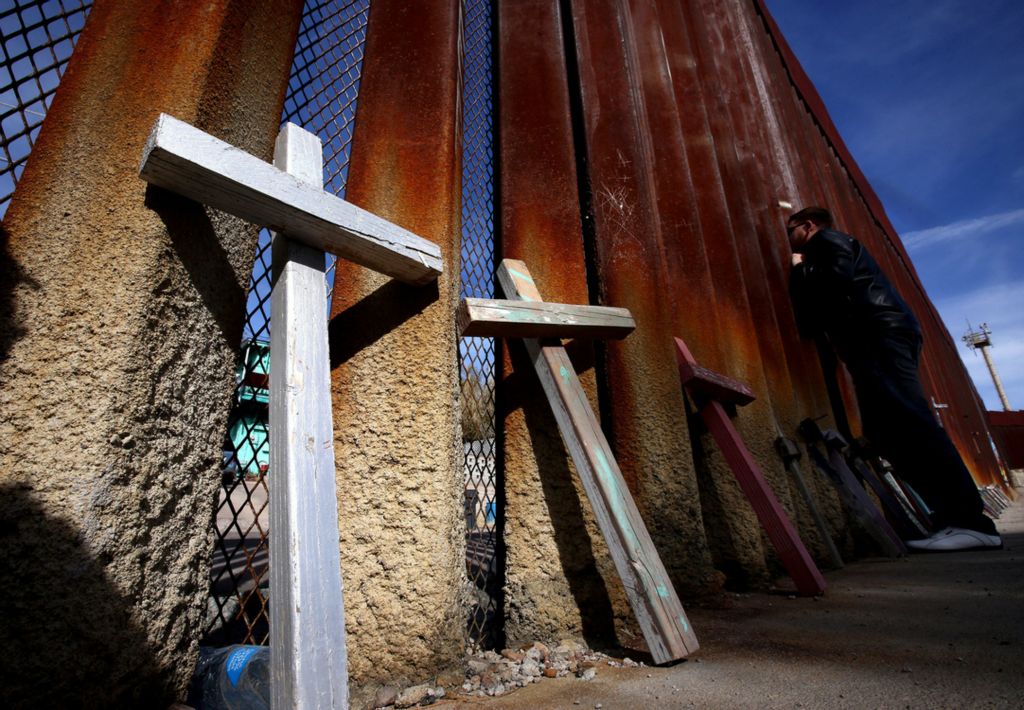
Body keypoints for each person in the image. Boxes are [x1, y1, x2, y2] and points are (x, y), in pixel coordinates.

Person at [786, 206, 1001, 551]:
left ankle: (971, 522)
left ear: (807, 226)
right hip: (874, 339)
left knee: (913, 421)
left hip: (876, 335)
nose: (789, 240)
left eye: (790, 231)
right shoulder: (829, 248)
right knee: (888, 435)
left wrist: (799, 269)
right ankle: (950, 519)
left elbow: (833, 284)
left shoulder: (826, 240)